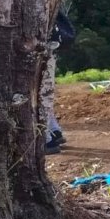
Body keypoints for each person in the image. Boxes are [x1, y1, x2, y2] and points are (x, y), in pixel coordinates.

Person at [42, 9, 75, 154]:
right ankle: (53, 131)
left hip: (36, 44)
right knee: (45, 90)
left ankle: (45, 137)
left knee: (39, 92)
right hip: (48, 45)